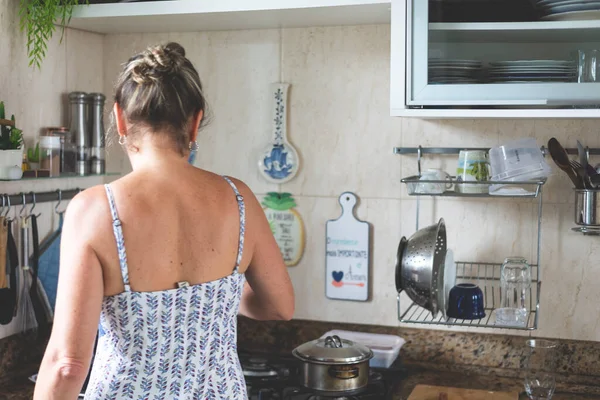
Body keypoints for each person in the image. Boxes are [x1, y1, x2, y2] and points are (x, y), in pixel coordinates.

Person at [34, 42, 295, 400]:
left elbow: (67, 364)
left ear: (120, 118)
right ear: (196, 121)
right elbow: (280, 305)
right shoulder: (240, 199)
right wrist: (217, 298)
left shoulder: (96, 210)